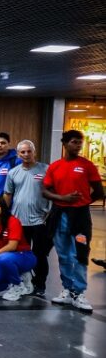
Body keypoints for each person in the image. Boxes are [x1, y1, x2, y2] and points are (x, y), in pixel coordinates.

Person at [43, 130, 104, 311]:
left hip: (80, 218)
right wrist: (63, 199)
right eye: (74, 142)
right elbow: (45, 191)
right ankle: (68, 290)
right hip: (60, 215)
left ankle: (79, 292)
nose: (78, 146)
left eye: (80, 143)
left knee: (80, 253)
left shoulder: (87, 165)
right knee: (63, 255)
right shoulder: (55, 166)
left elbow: (99, 192)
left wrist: (81, 203)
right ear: (65, 143)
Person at [3, 140, 51, 297]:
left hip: (39, 221)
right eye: (22, 152)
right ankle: (23, 282)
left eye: (29, 151)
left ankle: (40, 285)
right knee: (19, 254)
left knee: (39, 255)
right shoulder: (13, 173)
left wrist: (49, 214)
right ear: (18, 154)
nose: (26, 154)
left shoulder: (46, 170)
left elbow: (53, 193)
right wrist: (6, 219)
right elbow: (8, 195)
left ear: (34, 152)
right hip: (18, 222)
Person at [0, 196, 36, 301]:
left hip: (24, 256)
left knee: (3, 258)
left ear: (3, 207)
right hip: (2, 259)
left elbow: (12, 246)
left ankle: (18, 285)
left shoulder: (13, 221)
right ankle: (19, 277)